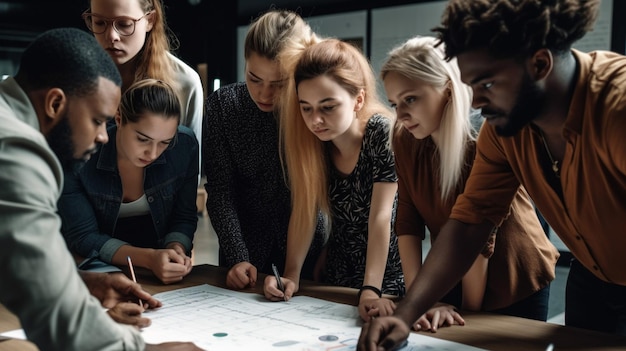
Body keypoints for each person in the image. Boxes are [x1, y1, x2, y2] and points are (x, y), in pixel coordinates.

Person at [358, 0, 626, 348]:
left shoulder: (616, 108)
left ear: (540, 63)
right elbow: (471, 222)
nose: (475, 102)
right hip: (592, 278)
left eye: (486, 84)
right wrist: (404, 314)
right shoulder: (502, 131)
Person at [0, 27, 201, 350]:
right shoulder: (17, 149)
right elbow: (54, 312)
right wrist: (140, 348)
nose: (102, 136)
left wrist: (81, 283)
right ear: (54, 103)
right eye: (96, 120)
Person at [376, 35, 558, 331]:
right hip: (455, 269)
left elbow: (478, 237)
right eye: (394, 103)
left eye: (411, 99)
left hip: (516, 274)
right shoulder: (404, 137)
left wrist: (468, 318)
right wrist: (419, 303)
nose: (401, 115)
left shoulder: (480, 141)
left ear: (447, 90)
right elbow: (407, 222)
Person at [263, 38, 405, 314]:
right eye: (307, 108)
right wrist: (290, 276)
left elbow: (381, 217)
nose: (315, 119)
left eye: (328, 107)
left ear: (358, 99)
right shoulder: (313, 142)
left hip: (386, 282)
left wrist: (371, 290)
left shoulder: (381, 132)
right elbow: (303, 212)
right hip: (336, 280)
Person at [203, 9, 326, 290]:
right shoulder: (223, 106)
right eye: (254, 79)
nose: (264, 94)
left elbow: (320, 192)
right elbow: (221, 190)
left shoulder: (310, 111)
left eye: (280, 83)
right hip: (243, 253)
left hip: (308, 253)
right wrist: (237, 256)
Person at [58, 78, 198, 285]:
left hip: (154, 273)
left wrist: (175, 249)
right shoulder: (79, 152)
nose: (152, 153)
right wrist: (149, 258)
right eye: (143, 139)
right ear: (120, 118)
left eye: (164, 143)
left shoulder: (184, 146)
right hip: (88, 269)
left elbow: (184, 217)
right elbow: (83, 236)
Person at [83, 0, 204, 181]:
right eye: (99, 22)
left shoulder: (184, 83)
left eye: (124, 24)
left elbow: (188, 172)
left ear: (150, 20)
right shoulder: (77, 77)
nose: (111, 35)